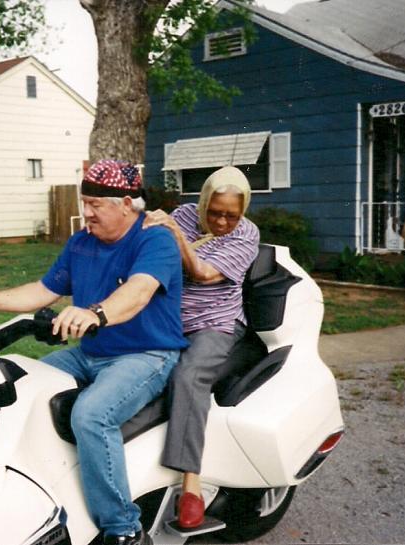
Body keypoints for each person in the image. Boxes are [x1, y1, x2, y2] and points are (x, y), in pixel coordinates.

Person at [0, 159, 188, 545]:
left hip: (147, 355)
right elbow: (44, 291)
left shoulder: (154, 239)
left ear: (127, 204)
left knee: (92, 415)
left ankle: (124, 528)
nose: (87, 212)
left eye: (96, 204)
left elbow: (138, 292)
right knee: (16, 386)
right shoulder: (81, 243)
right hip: (91, 352)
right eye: (85, 202)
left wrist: (96, 313)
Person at [143, 165, 260, 529]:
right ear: (204, 202)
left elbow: (203, 273)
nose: (222, 221)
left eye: (231, 215)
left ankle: (190, 485)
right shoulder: (184, 216)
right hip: (169, 318)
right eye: (215, 212)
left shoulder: (246, 234)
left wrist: (174, 234)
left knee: (190, 375)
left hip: (216, 323)